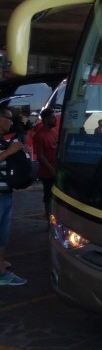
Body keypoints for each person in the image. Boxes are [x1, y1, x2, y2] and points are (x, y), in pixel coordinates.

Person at [0, 106, 27, 286]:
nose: (11, 121)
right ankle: (2, 274)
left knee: (3, 233)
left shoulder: (2, 140)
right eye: (8, 118)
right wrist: (10, 152)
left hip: (5, 193)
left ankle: (0, 263)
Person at [32, 108, 58, 224]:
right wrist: (51, 170)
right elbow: (40, 156)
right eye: (52, 117)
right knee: (48, 198)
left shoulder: (54, 132)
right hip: (48, 173)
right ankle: (49, 223)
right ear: (46, 120)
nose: (55, 119)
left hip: (57, 170)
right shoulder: (39, 135)